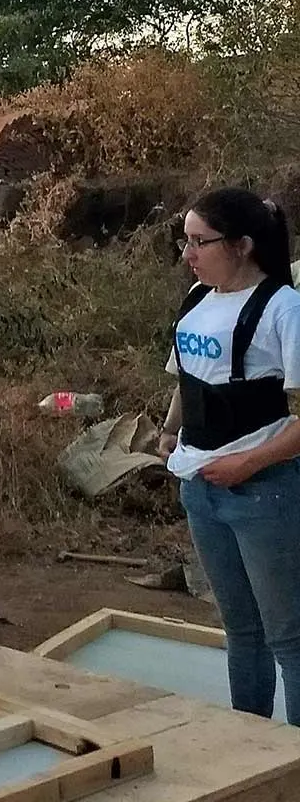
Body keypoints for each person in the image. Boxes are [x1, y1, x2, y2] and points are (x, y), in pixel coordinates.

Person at [157, 188, 300, 725]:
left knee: (288, 635)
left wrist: (249, 463)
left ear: (241, 246)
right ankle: (250, 745)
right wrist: (171, 431)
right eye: (185, 241)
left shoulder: (283, 308)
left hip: (263, 491)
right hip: (201, 486)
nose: (189, 255)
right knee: (242, 630)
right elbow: (186, 379)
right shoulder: (197, 299)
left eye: (200, 242)